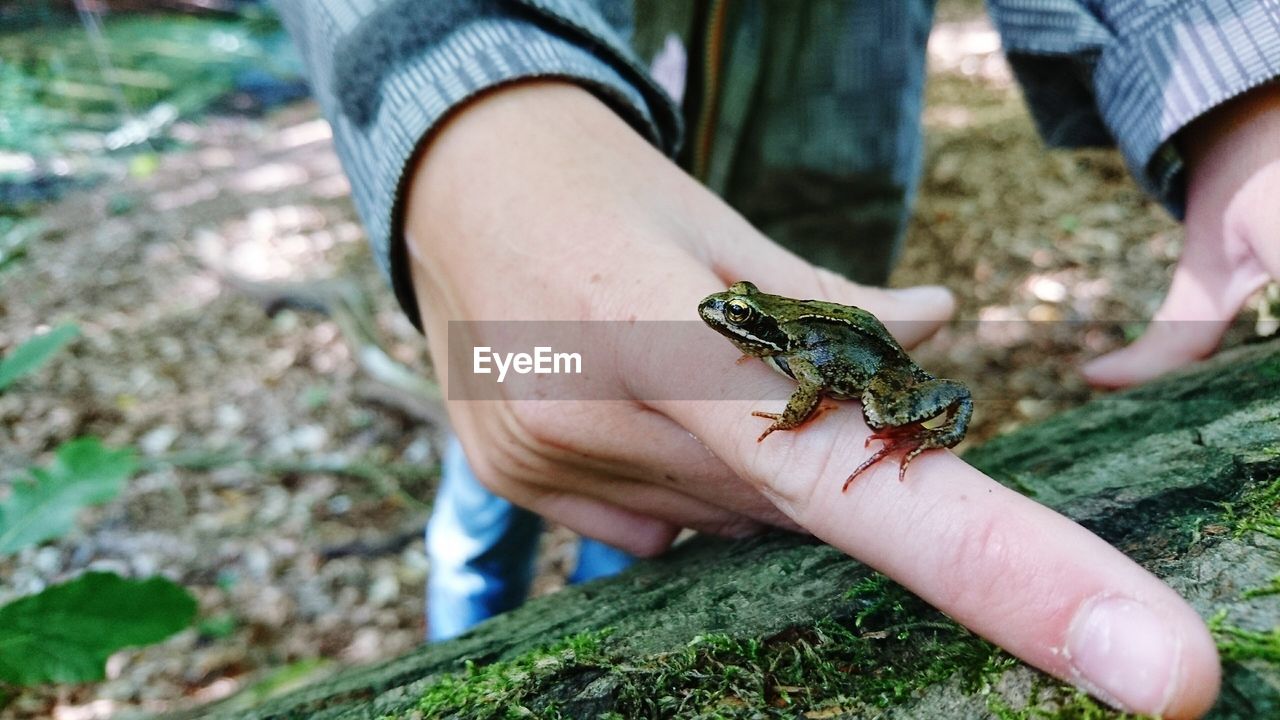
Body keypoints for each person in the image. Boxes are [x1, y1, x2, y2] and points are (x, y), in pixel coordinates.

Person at [274, 1, 1280, 716]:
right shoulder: (744, 330)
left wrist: (1227, 61)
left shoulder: (791, 339)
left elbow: (814, 392)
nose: (728, 329)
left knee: (647, 516)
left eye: (738, 327)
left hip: (820, 201)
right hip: (530, 311)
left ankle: (603, 608)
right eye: (737, 326)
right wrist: (462, 106)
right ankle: (459, 642)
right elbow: (783, 391)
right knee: (496, 475)